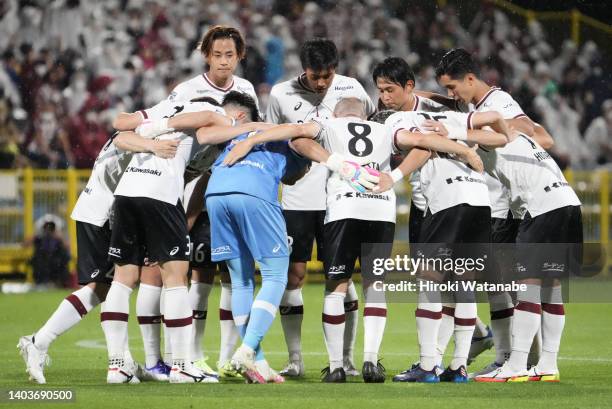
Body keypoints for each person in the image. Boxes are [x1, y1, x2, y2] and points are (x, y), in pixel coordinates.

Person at [224, 97, 495, 383]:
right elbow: (423, 144)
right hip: (381, 210)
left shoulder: (328, 123)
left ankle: (337, 366)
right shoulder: (384, 129)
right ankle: (369, 362)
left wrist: (334, 162)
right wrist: (395, 176)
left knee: (337, 287)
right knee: (375, 287)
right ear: (364, 115)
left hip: (344, 206)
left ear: (338, 112)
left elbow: (296, 137)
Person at [17, 129, 179, 384]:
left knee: (107, 287)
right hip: (103, 214)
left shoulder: (140, 131)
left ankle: (120, 358)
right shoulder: (146, 135)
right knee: (113, 284)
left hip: (100, 210)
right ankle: (41, 342)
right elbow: (122, 144)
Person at [266, 37, 375, 377]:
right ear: (304, 70)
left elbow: (371, 131)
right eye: (316, 77)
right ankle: (295, 360)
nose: (323, 83)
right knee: (294, 276)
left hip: (340, 200)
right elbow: (272, 139)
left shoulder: (352, 88)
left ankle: (346, 359)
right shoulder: (280, 94)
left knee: (341, 278)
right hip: (298, 200)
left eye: (328, 75)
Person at [101, 98, 228, 384]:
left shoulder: (159, 118)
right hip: (159, 195)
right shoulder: (202, 114)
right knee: (176, 277)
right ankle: (181, 366)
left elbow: (121, 136)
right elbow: (214, 119)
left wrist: (153, 139)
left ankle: (117, 365)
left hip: (127, 193)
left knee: (123, 278)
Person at [166, 25, 259, 376]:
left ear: (240, 56)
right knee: (197, 279)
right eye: (217, 55)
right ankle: (191, 354)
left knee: (234, 278)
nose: (223, 62)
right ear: (205, 55)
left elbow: (249, 135)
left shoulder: (246, 90)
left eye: (230, 55)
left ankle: (226, 357)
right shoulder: (187, 90)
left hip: (230, 192)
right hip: (192, 192)